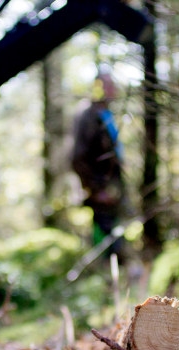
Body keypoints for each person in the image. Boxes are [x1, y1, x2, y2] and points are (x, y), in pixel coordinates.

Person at [71, 72, 125, 255]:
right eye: (110, 85)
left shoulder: (105, 114)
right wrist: (95, 189)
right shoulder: (88, 116)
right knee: (105, 243)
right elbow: (77, 157)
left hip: (112, 189)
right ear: (99, 87)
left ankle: (112, 275)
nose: (114, 89)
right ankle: (104, 278)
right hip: (100, 191)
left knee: (116, 239)